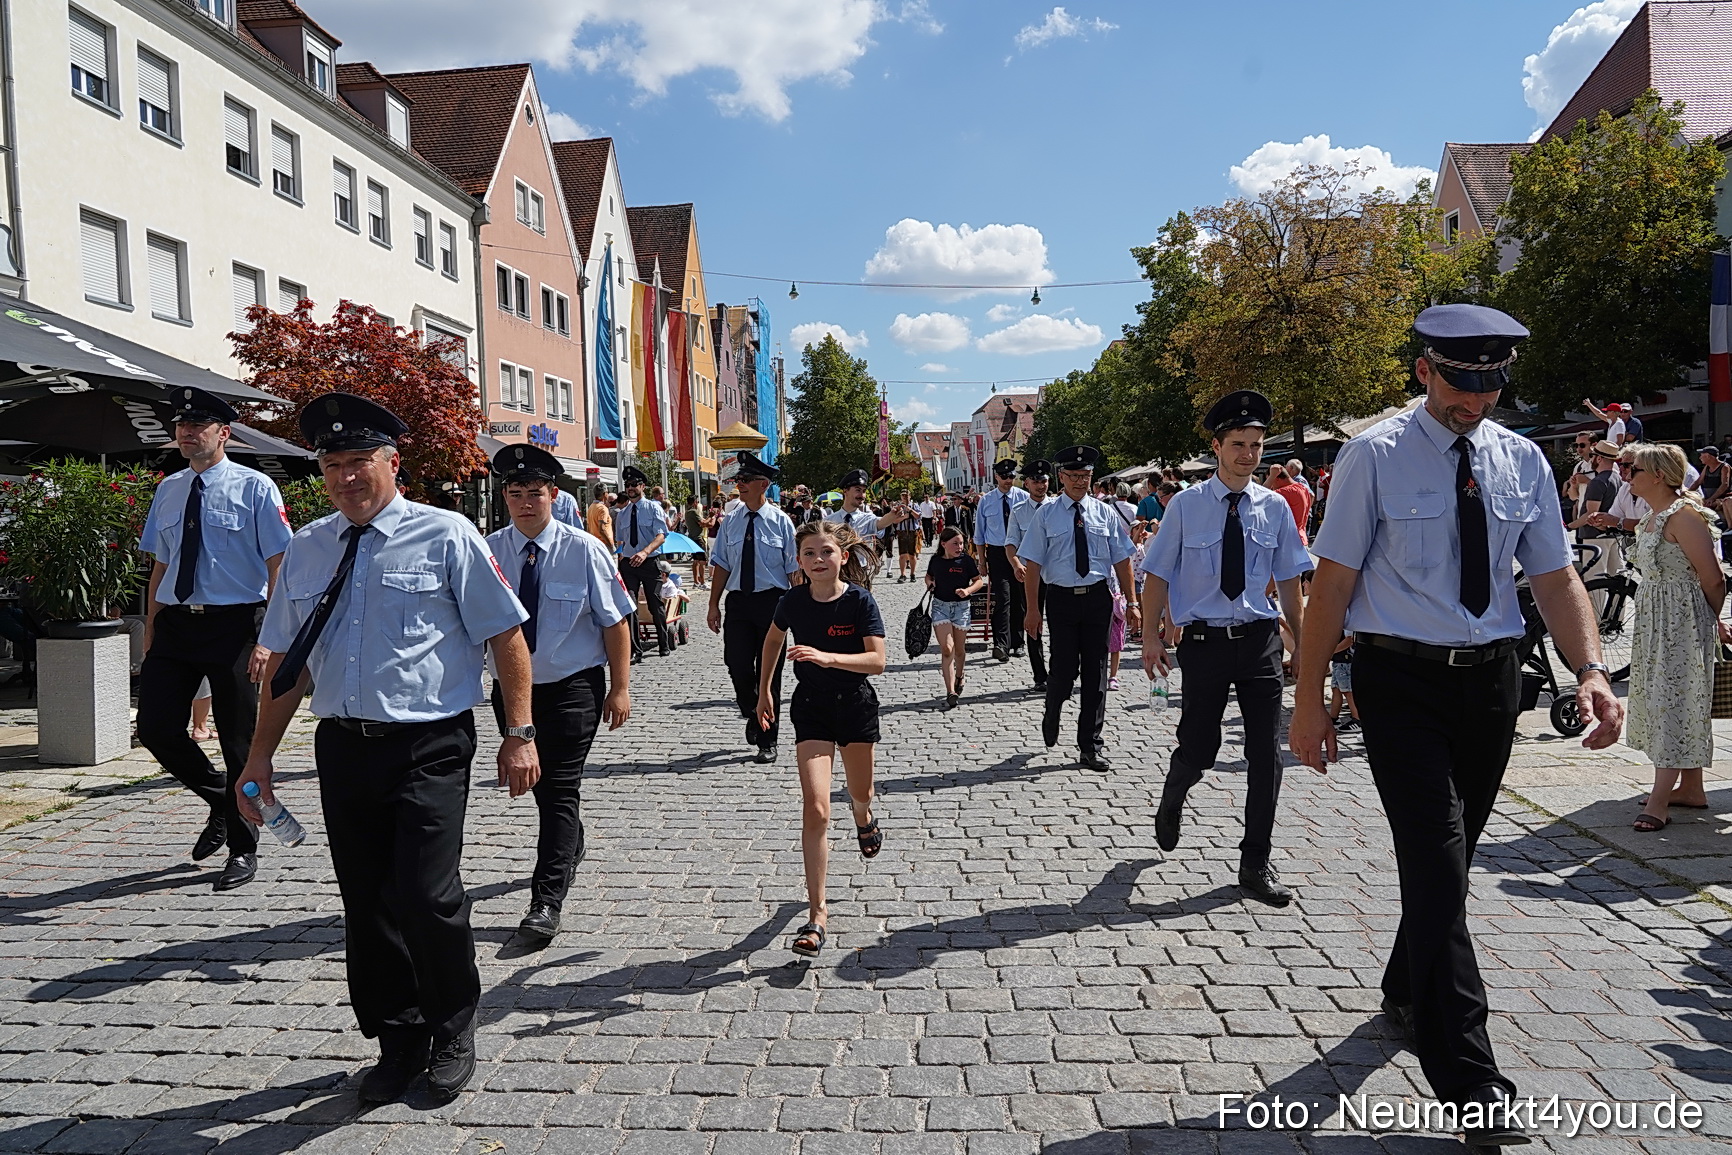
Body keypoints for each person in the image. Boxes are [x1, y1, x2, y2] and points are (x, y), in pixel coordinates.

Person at [1291, 304, 1623, 1145]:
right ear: (1424, 370)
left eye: (1490, 386)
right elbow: (1331, 586)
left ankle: (1406, 986)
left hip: (1492, 684)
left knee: (1453, 857)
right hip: (1399, 680)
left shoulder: (1522, 460)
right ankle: (1473, 1081)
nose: (1474, 402)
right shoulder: (1373, 456)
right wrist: (1308, 698)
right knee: (1437, 865)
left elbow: (1554, 578)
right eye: (1459, 384)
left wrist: (1590, 669)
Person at [239, 392, 539, 1106]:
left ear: (392, 462)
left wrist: (520, 733)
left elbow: (506, 635)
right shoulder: (308, 547)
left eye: (359, 461)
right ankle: (398, 1037)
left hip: (429, 742)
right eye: (332, 465)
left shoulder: (447, 534)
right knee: (367, 899)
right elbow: (287, 666)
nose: (346, 477)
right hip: (344, 746)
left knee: (427, 893)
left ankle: (452, 1027)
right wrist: (258, 758)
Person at [1140, 390, 1311, 906]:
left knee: (1266, 755)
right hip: (1205, 643)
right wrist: (1150, 637)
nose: (1248, 454)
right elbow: (1157, 574)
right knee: (1201, 747)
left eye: (1256, 445)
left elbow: (1290, 582)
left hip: (1259, 641)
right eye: (1238, 444)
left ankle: (1255, 862)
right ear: (1216, 447)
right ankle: (1176, 788)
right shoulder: (1187, 506)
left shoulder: (1275, 507)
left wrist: (1304, 645)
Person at [137, 386, 293, 893]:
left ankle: (243, 848)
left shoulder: (255, 487)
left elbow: (279, 563)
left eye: (197, 425)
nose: (186, 432)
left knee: (237, 741)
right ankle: (224, 802)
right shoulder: (169, 488)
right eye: (181, 425)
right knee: (156, 728)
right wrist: (152, 624)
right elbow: (162, 563)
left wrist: (271, 637)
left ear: (223, 433)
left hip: (236, 626)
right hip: (178, 625)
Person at [485, 444, 633, 943]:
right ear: (505, 497)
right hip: (512, 691)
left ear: (553, 494)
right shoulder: (488, 551)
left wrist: (620, 688)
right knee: (545, 788)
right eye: (516, 493)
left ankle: (545, 901)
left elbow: (615, 622)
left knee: (557, 789)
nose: (526, 502)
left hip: (573, 688)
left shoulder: (584, 549)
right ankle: (571, 840)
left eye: (535, 492)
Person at [757, 519, 886, 958]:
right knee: (815, 808)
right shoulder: (791, 601)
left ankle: (863, 818)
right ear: (799, 560)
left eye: (826, 551)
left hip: (855, 705)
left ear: (842, 557)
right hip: (810, 707)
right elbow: (773, 640)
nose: (818, 559)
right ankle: (817, 915)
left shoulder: (860, 601)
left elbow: (878, 662)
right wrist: (763, 692)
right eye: (809, 553)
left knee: (860, 793)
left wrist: (826, 657)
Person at [1622, 442, 1726, 832]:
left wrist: (1708, 620)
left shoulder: (1684, 516)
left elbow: (1713, 577)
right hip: (1656, 622)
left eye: (1634, 470)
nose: (1628, 476)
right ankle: (1692, 789)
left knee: (1673, 702)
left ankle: (1659, 800)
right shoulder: (1653, 517)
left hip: (1681, 622)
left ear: (1658, 476)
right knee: (1667, 698)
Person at [1018, 445, 1138, 772]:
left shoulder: (1104, 513)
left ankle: (1090, 745)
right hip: (1061, 599)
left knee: (1096, 674)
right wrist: (1032, 610)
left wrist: (1132, 602)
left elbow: (1122, 559)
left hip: (1098, 597)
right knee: (1064, 670)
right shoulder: (1047, 514)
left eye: (1085, 475)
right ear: (1062, 477)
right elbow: (1033, 564)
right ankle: (1053, 708)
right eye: (1073, 475)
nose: (1080, 481)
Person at [708, 451, 799, 764]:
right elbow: (721, 564)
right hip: (739, 602)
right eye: (738, 479)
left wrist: (801, 610)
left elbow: (793, 570)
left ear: (764, 484)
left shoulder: (782, 522)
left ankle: (767, 739)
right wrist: (713, 605)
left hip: (773, 603)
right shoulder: (731, 521)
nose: (740, 484)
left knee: (770, 674)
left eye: (745, 479)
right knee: (737, 664)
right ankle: (751, 710)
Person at [1005, 459, 1055, 691]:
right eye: (1035, 481)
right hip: (1029, 576)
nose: (1040, 485)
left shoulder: (1057, 507)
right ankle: (1040, 675)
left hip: (1055, 574)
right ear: (1026, 483)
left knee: (1059, 623)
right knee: (1033, 622)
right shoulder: (1019, 511)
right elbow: (1010, 543)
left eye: (1043, 480)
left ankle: (1059, 670)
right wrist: (1016, 564)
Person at [976, 460, 1032, 661]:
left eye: (1012, 476)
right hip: (997, 554)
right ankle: (1001, 644)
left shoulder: (1024, 497)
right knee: (1002, 598)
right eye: (1005, 477)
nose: (1009, 480)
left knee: (1019, 599)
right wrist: (982, 561)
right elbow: (979, 534)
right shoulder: (986, 501)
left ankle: (1018, 642)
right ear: (996, 477)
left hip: (1020, 553)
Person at [614, 465, 671, 660]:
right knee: (630, 605)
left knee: (655, 603)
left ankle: (663, 643)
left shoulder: (653, 508)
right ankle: (635, 650)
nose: (630, 488)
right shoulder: (622, 514)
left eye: (634, 484)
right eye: (627, 485)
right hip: (629, 564)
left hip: (649, 562)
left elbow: (661, 535)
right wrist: (620, 559)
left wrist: (645, 552)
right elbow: (620, 541)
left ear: (642, 486)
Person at [926, 526, 985, 708]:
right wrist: (930, 584)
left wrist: (967, 591)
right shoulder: (935, 560)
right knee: (947, 649)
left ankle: (960, 675)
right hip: (940, 607)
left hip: (961, 608)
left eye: (961, 543)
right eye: (955, 543)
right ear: (943, 544)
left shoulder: (966, 561)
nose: (959, 547)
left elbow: (979, 581)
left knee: (959, 650)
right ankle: (950, 691)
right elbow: (928, 576)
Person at [826, 469, 902, 586]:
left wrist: (892, 516)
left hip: (860, 574)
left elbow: (880, 523)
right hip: (835, 574)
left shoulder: (867, 518)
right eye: (858, 490)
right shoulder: (829, 521)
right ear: (845, 491)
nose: (862, 495)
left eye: (864, 491)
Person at [1266, 463, 1314, 545]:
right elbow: (1312, 495)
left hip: (1288, 540)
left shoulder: (1286, 492)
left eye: (1271, 482)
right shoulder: (1302, 488)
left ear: (1277, 479)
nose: (1271, 486)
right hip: (1301, 536)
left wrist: (1271, 477)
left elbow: (1260, 497)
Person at [891, 490, 921, 583]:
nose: (904, 497)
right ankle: (903, 574)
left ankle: (912, 574)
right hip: (902, 532)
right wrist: (904, 517)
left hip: (912, 532)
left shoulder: (914, 505)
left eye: (906, 495)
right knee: (902, 554)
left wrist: (910, 510)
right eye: (903, 495)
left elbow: (918, 516)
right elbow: (894, 520)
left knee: (912, 554)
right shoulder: (898, 507)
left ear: (910, 496)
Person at [684, 497, 709, 588]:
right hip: (698, 538)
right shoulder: (693, 512)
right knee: (702, 561)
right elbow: (702, 523)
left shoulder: (687, 512)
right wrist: (710, 516)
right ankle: (702, 582)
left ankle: (696, 581)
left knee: (695, 561)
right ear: (695, 502)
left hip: (692, 538)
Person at [585, 486, 615, 555]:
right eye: (607, 492)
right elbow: (601, 529)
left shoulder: (591, 507)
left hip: (594, 543)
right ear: (604, 494)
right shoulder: (602, 508)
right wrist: (611, 545)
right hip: (604, 544)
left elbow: (588, 527)